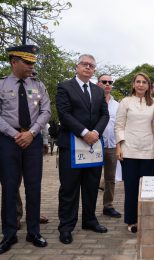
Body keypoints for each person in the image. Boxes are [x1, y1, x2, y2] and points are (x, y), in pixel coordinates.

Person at [0, 45, 51, 254]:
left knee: (33, 187)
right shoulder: (2, 84)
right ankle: (9, 234)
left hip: (33, 141)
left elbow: (46, 111)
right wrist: (15, 135)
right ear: (14, 62)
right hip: (7, 141)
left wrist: (32, 133)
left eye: (33, 62)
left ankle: (33, 231)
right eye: (27, 62)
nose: (32, 66)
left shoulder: (38, 85)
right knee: (9, 188)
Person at [56, 54, 109, 244]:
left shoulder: (98, 90)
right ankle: (66, 226)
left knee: (91, 186)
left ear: (94, 70)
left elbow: (105, 115)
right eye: (84, 64)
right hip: (71, 145)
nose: (88, 67)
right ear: (77, 67)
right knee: (69, 188)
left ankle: (89, 220)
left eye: (91, 65)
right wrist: (84, 132)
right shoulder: (65, 86)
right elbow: (64, 113)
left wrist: (95, 132)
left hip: (93, 146)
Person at [115, 72, 154, 233]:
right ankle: (131, 220)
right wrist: (119, 146)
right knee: (131, 187)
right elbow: (119, 125)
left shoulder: (153, 103)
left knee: (145, 188)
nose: (140, 85)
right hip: (129, 150)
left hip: (148, 150)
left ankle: (145, 219)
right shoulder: (125, 102)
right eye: (138, 82)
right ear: (133, 84)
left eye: (144, 82)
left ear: (148, 86)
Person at [97, 74, 121, 218]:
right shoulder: (92, 101)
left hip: (112, 145)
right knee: (92, 179)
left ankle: (108, 206)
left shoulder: (117, 105)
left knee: (110, 179)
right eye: (104, 81)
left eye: (110, 82)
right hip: (94, 145)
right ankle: (90, 208)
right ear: (98, 83)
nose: (107, 84)